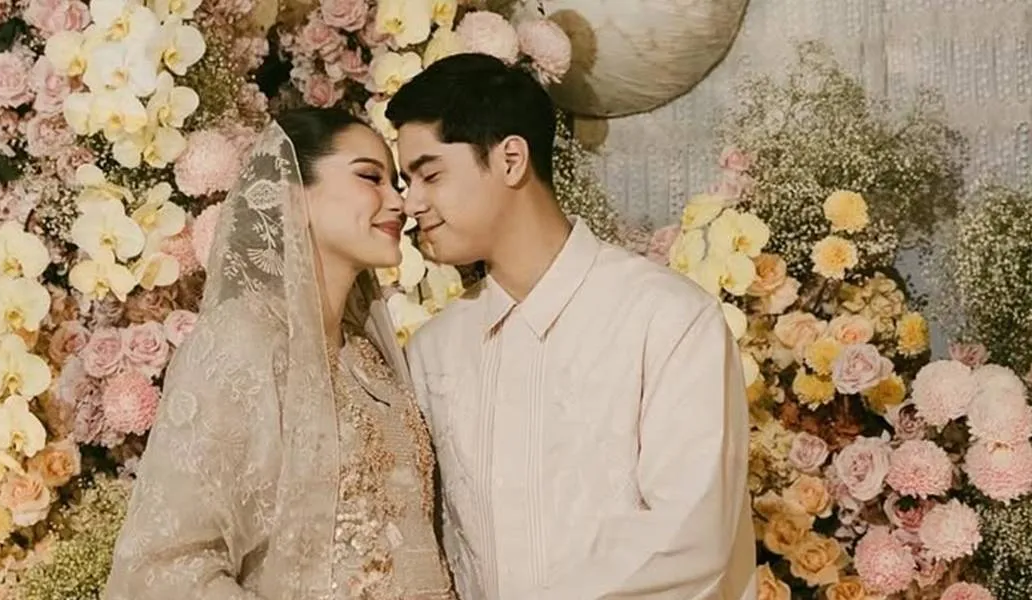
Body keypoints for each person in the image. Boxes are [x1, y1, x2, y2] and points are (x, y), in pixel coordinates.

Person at [387, 53, 757, 600]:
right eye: (405, 180)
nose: (411, 203)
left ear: (511, 159)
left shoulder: (667, 319)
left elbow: (689, 537)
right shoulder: (434, 352)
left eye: (430, 174)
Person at [104, 108, 456, 600]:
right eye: (370, 177)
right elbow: (163, 566)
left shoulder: (369, 362)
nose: (398, 202)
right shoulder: (243, 342)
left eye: (395, 184)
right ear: (293, 195)